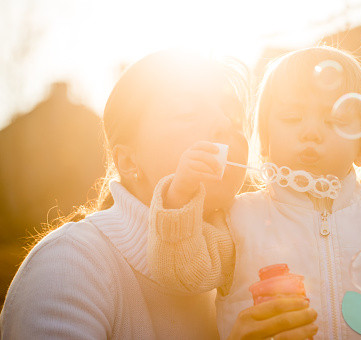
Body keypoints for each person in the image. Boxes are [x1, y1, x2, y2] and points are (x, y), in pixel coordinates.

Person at [148, 46, 361, 339]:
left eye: (335, 120)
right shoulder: (238, 222)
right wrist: (179, 196)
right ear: (265, 137)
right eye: (292, 117)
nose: (311, 132)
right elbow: (180, 275)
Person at [0, 50, 317, 339]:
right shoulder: (70, 263)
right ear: (128, 160)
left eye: (233, 116)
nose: (223, 123)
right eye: (186, 113)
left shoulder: (247, 262)